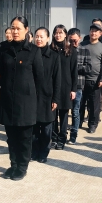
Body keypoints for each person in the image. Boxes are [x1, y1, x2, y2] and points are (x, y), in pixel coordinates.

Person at [0, 16, 44, 180]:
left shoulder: (34, 51)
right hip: (8, 100)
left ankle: (22, 167)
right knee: (11, 137)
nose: (15, 31)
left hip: (26, 103)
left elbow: (39, 79)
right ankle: (13, 165)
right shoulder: (4, 48)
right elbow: (2, 73)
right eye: (13, 28)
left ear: (26, 30)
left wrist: (37, 104)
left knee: (24, 138)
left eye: (18, 28)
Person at [31, 27, 61, 163]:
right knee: (33, 128)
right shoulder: (30, 53)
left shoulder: (54, 56)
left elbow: (57, 79)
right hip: (32, 96)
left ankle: (43, 153)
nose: (38, 39)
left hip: (47, 97)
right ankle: (34, 152)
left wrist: (55, 99)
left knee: (46, 129)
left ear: (48, 38)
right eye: (36, 36)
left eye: (41, 36)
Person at [51, 24, 78, 150]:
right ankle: (53, 138)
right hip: (52, 86)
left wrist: (73, 89)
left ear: (65, 34)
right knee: (53, 114)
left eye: (60, 33)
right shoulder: (51, 49)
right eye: (56, 33)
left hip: (66, 86)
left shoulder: (71, 50)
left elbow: (74, 72)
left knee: (63, 114)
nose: (58, 35)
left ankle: (62, 139)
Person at [80, 23, 102, 134]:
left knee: (94, 105)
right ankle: (78, 122)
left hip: (95, 81)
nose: (93, 33)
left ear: (100, 34)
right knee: (80, 104)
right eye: (92, 30)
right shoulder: (82, 45)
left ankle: (92, 124)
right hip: (81, 80)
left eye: (96, 31)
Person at [68, 28, 91, 144]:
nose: (73, 43)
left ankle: (74, 134)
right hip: (65, 85)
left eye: (75, 41)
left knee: (75, 111)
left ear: (80, 38)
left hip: (78, 85)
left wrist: (75, 67)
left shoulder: (85, 51)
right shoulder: (65, 50)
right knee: (62, 111)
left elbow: (89, 68)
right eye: (71, 41)